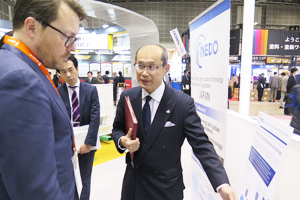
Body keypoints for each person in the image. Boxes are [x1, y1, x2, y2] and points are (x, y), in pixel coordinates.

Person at [112, 44, 238, 200]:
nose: (144, 73)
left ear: (166, 68)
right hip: (134, 186)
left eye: (152, 66)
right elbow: (117, 129)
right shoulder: (128, 97)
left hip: (165, 188)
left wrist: (221, 184)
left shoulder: (182, 103)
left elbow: (202, 145)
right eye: (140, 65)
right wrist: (122, 141)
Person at [0, 0, 86, 199]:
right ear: (32, 27)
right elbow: (35, 189)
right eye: (67, 37)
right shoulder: (20, 78)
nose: (73, 47)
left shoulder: (19, 65)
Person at [58, 55, 100, 200]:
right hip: (66, 143)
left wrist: (88, 143)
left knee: (85, 179)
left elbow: (95, 118)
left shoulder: (91, 90)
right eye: (63, 72)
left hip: (86, 141)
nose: (68, 75)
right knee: (68, 179)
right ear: (60, 74)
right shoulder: (58, 92)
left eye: (70, 70)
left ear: (77, 69)